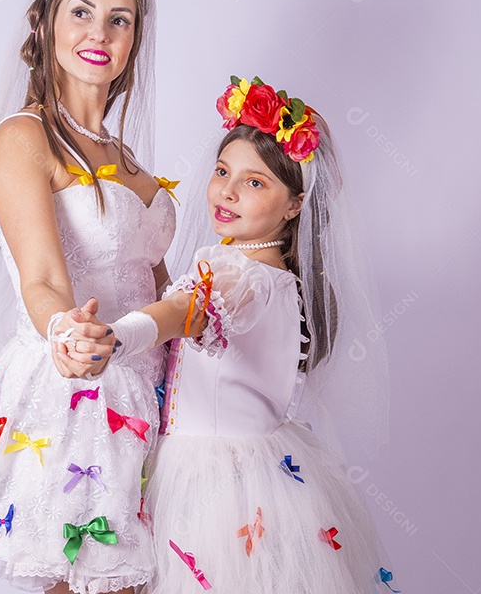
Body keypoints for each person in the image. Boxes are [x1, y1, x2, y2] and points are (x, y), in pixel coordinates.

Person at [61, 76, 397, 592]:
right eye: (223, 171)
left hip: (215, 488)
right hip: (254, 474)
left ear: (294, 206)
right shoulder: (270, 273)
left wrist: (116, 337)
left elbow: (181, 310)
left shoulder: (243, 280)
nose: (228, 191)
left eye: (256, 182)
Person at [0, 0, 179, 594]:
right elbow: (40, 278)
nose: (100, 31)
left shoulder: (131, 162)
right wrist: (70, 334)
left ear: (134, 39)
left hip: (154, 393)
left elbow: (161, 289)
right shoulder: (25, 137)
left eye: (120, 19)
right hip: (79, 391)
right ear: (48, 23)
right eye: (82, 11)